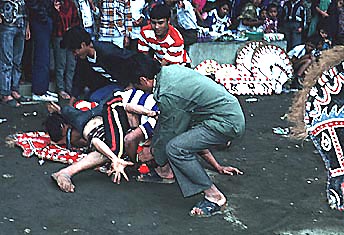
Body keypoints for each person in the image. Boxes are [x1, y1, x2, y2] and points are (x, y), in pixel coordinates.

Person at [127, 53, 245, 217]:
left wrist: (153, 153)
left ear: (143, 81)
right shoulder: (168, 73)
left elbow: (171, 131)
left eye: (137, 86)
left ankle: (214, 196)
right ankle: (165, 172)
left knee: (176, 149)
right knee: (174, 142)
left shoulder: (168, 93)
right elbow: (166, 121)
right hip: (221, 113)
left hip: (226, 122)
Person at [60, 26, 136, 105]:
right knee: (87, 98)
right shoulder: (83, 58)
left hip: (123, 83)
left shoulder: (108, 52)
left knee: (95, 99)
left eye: (74, 51)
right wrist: (71, 101)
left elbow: (131, 61)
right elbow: (79, 78)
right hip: (106, 84)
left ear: (83, 45)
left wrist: (131, 84)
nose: (74, 54)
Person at [26, 0, 59, 102]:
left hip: (44, 17)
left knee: (45, 55)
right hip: (41, 19)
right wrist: (43, 16)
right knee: (42, 55)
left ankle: (43, 88)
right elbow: (32, 3)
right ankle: (39, 91)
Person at [0, 0, 30, 107]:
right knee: (6, 60)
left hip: (21, 22)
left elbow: (26, 5)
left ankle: (14, 89)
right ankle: (5, 93)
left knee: (17, 61)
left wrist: (27, 26)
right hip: (7, 23)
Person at [52, 0, 80, 100]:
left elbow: (76, 20)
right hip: (59, 36)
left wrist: (71, 29)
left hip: (71, 37)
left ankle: (69, 88)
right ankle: (60, 89)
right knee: (61, 64)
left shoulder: (71, 4)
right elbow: (54, 21)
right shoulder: (56, 3)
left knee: (71, 63)